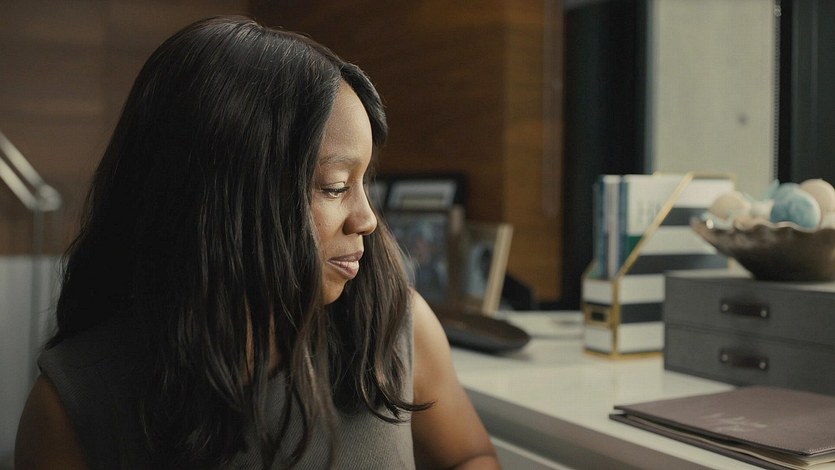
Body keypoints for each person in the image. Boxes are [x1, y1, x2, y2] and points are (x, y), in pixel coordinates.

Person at [14, 16, 499, 469]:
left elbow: (470, 456)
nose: (368, 219)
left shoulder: (392, 324)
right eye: (335, 187)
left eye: (363, 181)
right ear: (225, 200)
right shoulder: (73, 404)